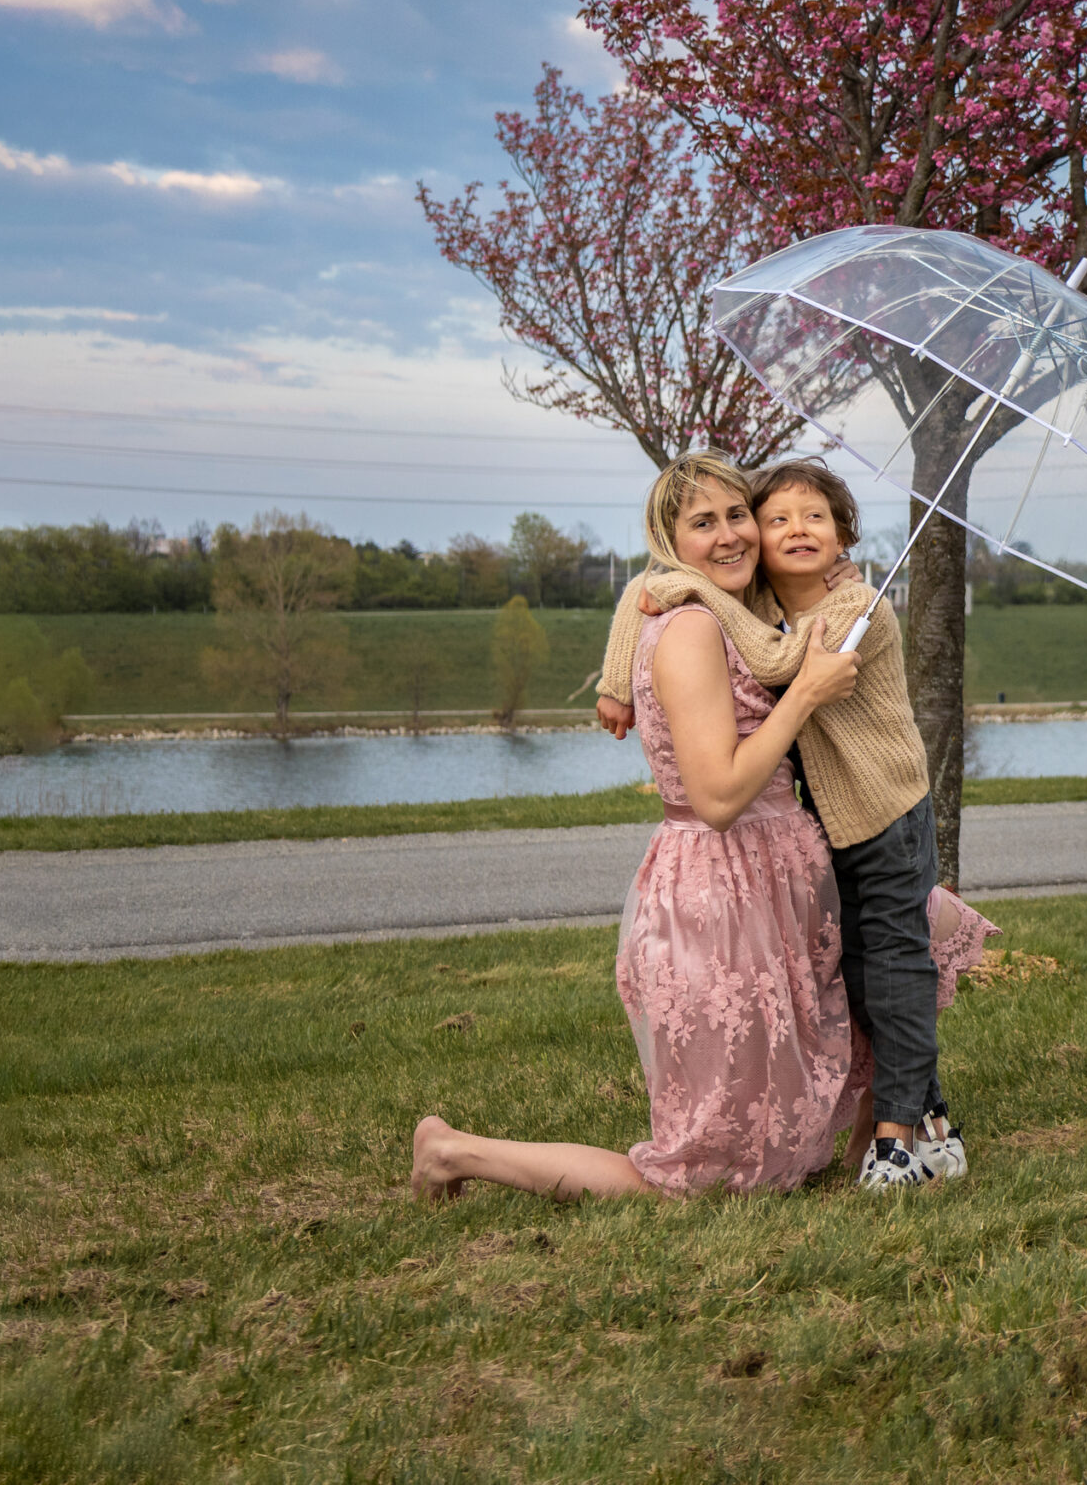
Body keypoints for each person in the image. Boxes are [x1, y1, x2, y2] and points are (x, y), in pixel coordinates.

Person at [410, 452, 863, 1201]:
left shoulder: (733, 616)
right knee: (701, 1179)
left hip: (772, 874)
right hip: (722, 894)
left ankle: (880, 1152)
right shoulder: (690, 631)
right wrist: (806, 694)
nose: (729, 535)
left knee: (897, 956)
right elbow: (718, 797)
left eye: (737, 514)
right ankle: (453, 1152)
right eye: (703, 523)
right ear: (669, 543)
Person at [593, 458, 966, 1191]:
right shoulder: (749, 603)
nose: (791, 531)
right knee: (859, 978)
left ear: (843, 536)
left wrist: (689, 584)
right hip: (821, 820)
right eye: (776, 520)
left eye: (814, 518)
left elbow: (779, 657)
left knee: (890, 967)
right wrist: (616, 679)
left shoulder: (854, 606)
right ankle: (927, 1118)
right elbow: (644, 593)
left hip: (884, 810)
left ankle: (899, 1134)